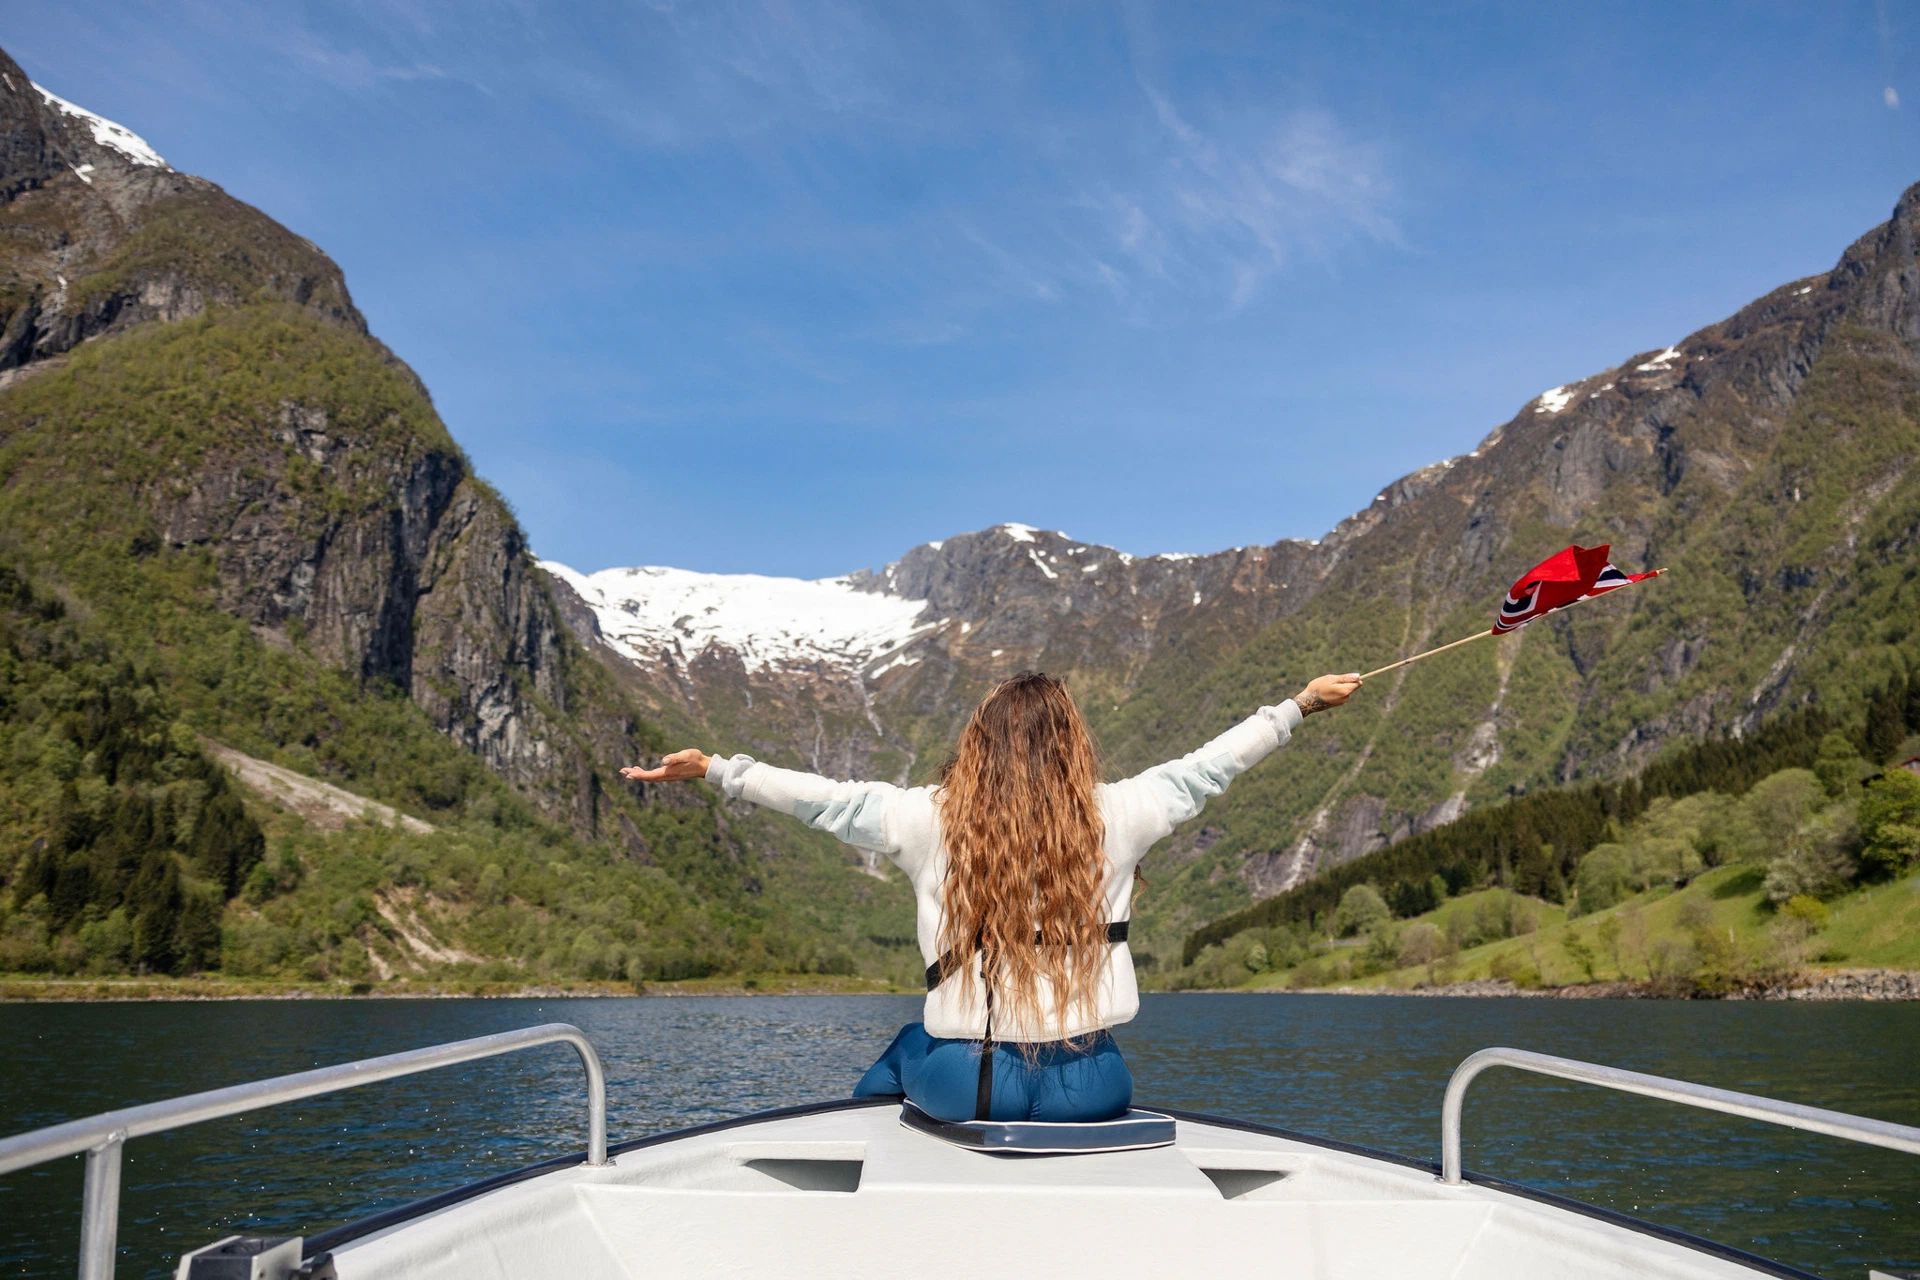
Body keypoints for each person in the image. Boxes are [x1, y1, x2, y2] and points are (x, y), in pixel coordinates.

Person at [622, 669, 1362, 1125]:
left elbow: (828, 802)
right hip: (1095, 1082)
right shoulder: (1123, 812)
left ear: (978, 744)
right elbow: (1209, 767)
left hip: (969, 1084)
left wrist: (716, 769)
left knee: (904, 1050)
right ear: (1072, 743)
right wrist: (1300, 704)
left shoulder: (928, 818)